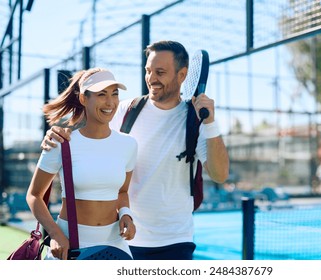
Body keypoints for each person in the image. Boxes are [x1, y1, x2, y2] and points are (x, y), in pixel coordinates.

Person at [41, 40, 229, 260]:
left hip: (175, 241)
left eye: (160, 72)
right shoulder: (124, 110)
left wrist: (210, 123)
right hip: (121, 241)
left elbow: (220, 174)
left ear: (182, 75)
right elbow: (83, 137)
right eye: (148, 71)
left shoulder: (195, 121)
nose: (151, 79)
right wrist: (56, 134)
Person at [27, 67, 137, 260]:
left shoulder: (128, 144)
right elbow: (34, 195)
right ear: (84, 99)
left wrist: (126, 215)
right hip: (69, 245)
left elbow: (122, 192)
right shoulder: (61, 142)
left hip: (115, 245)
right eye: (101, 94)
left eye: (114, 94)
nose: (110, 102)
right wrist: (56, 235)